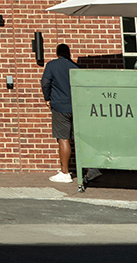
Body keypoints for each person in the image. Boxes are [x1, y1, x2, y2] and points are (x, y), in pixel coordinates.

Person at [41, 43, 100, 184]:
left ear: (57, 53)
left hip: (60, 107)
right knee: (80, 138)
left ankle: (65, 173)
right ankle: (91, 168)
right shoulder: (76, 67)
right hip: (77, 107)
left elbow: (45, 82)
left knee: (63, 138)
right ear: (69, 53)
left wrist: (47, 98)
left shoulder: (51, 65)